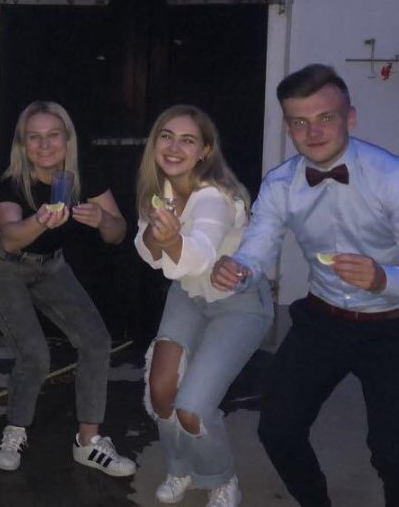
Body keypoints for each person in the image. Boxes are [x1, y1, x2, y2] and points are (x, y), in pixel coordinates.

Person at [212, 64, 399, 507]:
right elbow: (257, 250)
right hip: (323, 321)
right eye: (299, 122)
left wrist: (383, 278)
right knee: (277, 429)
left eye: (325, 117)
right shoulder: (281, 183)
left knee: (396, 456)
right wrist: (236, 269)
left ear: (349, 118)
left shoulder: (394, 177)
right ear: (288, 127)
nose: (313, 132)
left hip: (396, 326)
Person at [0, 101, 137, 478]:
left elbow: (118, 233)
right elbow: (10, 238)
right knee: (34, 354)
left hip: (51, 266)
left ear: (68, 139)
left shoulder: (81, 176)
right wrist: (40, 221)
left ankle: (88, 442)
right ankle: (15, 431)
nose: (45, 145)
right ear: (22, 144)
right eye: (34, 137)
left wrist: (103, 219)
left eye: (53, 136)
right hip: (3, 267)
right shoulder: (12, 183)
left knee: (96, 340)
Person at [133, 105, 271, 507]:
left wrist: (170, 240)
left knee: (192, 408)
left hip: (238, 303)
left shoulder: (215, 197)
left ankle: (221, 477)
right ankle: (180, 467)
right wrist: (159, 236)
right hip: (188, 295)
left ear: (204, 151)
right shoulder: (160, 190)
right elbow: (146, 250)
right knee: (161, 391)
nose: (174, 147)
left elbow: (199, 254)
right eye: (166, 136)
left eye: (188, 140)